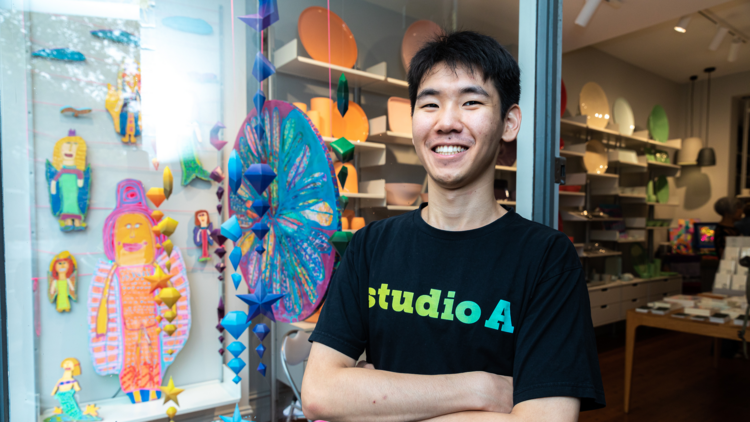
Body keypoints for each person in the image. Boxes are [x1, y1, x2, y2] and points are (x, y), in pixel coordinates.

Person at [301, 31, 605, 421]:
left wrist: (376, 403)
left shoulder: (546, 258)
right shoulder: (370, 246)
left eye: (471, 102)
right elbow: (320, 394)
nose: (446, 122)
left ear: (509, 123)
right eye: (429, 104)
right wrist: (480, 389)